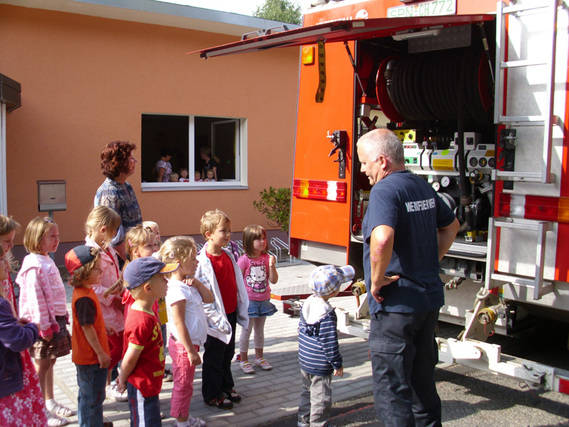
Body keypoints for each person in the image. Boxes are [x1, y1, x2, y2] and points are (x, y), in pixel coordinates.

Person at [356, 129, 460, 427]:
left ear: (382, 160)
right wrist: (426, 262)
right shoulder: (422, 186)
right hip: (426, 303)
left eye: (365, 163)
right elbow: (451, 227)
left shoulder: (385, 190)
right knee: (422, 386)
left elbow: (381, 238)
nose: (363, 170)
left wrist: (375, 282)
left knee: (393, 394)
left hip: (396, 308)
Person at [16, 217, 73, 426]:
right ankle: (39, 409)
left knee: (51, 361)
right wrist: (44, 326)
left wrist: (62, 319)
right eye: (52, 236)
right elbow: (35, 300)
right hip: (42, 325)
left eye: (58, 236)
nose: (57, 240)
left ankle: (49, 401)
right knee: (42, 365)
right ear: (37, 239)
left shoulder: (46, 259)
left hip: (55, 321)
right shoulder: (33, 265)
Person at [195, 209, 249, 410]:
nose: (228, 235)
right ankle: (212, 392)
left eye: (229, 231)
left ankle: (227, 385)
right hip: (215, 317)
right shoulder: (203, 261)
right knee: (214, 356)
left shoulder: (227, 254)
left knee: (228, 352)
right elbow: (203, 293)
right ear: (208, 234)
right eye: (223, 231)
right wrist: (212, 316)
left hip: (231, 312)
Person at [117, 257, 179, 427]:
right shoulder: (140, 321)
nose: (167, 281)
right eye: (162, 278)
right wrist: (122, 379)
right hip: (141, 386)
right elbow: (130, 357)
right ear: (148, 288)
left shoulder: (149, 311)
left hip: (150, 384)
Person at [160, 236, 214, 427]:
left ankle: (183, 416)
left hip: (189, 345)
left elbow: (210, 299)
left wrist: (198, 284)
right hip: (184, 347)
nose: (197, 261)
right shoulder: (176, 290)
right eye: (193, 258)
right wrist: (190, 350)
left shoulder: (187, 285)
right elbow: (179, 323)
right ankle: (182, 422)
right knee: (183, 385)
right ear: (179, 263)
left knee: (186, 384)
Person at [297, 265, 353, 427]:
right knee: (321, 398)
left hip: (305, 360)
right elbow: (329, 343)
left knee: (306, 392)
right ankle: (318, 424)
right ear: (333, 291)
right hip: (320, 364)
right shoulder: (327, 314)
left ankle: (303, 421)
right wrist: (337, 363)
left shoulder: (308, 303)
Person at [65, 245, 113, 427]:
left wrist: (104, 325)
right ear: (83, 273)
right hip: (91, 358)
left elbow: (90, 322)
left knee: (88, 395)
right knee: (93, 398)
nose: (101, 271)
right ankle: (91, 423)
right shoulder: (84, 297)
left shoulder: (85, 291)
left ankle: (94, 422)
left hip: (86, 357)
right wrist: (101, 353)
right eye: (96, 269)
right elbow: (87, 328)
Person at [0, 246, 48, 427]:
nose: (7, 264)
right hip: (5, 382)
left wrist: (14, 324)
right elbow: (17, 340)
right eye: (2, 259)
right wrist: (32, 329)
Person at [84, 206, 127, 402]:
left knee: (116, 348)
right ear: (103, 229)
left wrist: (120, 287)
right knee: (110, 349)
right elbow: (93, 287)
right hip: (104, 310)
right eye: (114, 230)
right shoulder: (90, 253)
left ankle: (109, 384)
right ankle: (105, 386)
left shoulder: (107, 248)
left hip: (115, 307)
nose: (116, 234)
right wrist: (112, 297)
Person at [237, 224, 278, 374]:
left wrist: (272, 266)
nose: (262, 241)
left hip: (264, 300)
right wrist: (239, 301)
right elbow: (238, 281)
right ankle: (244, 359)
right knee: (246, 331)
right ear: (249, 241)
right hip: (249, 302)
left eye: (264, 238)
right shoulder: (243, 260)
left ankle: (259, 357)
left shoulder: (267, 258)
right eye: (258, 239)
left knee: (259, 331)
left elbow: (273, 280)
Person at [94, 140, 143, 262]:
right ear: (119, 163)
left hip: (134, 253)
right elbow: (112, 235)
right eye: (131, 158)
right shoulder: (109, 192)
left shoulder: (126, 186)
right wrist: (130, 261)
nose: (135, 161)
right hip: (120, 259)